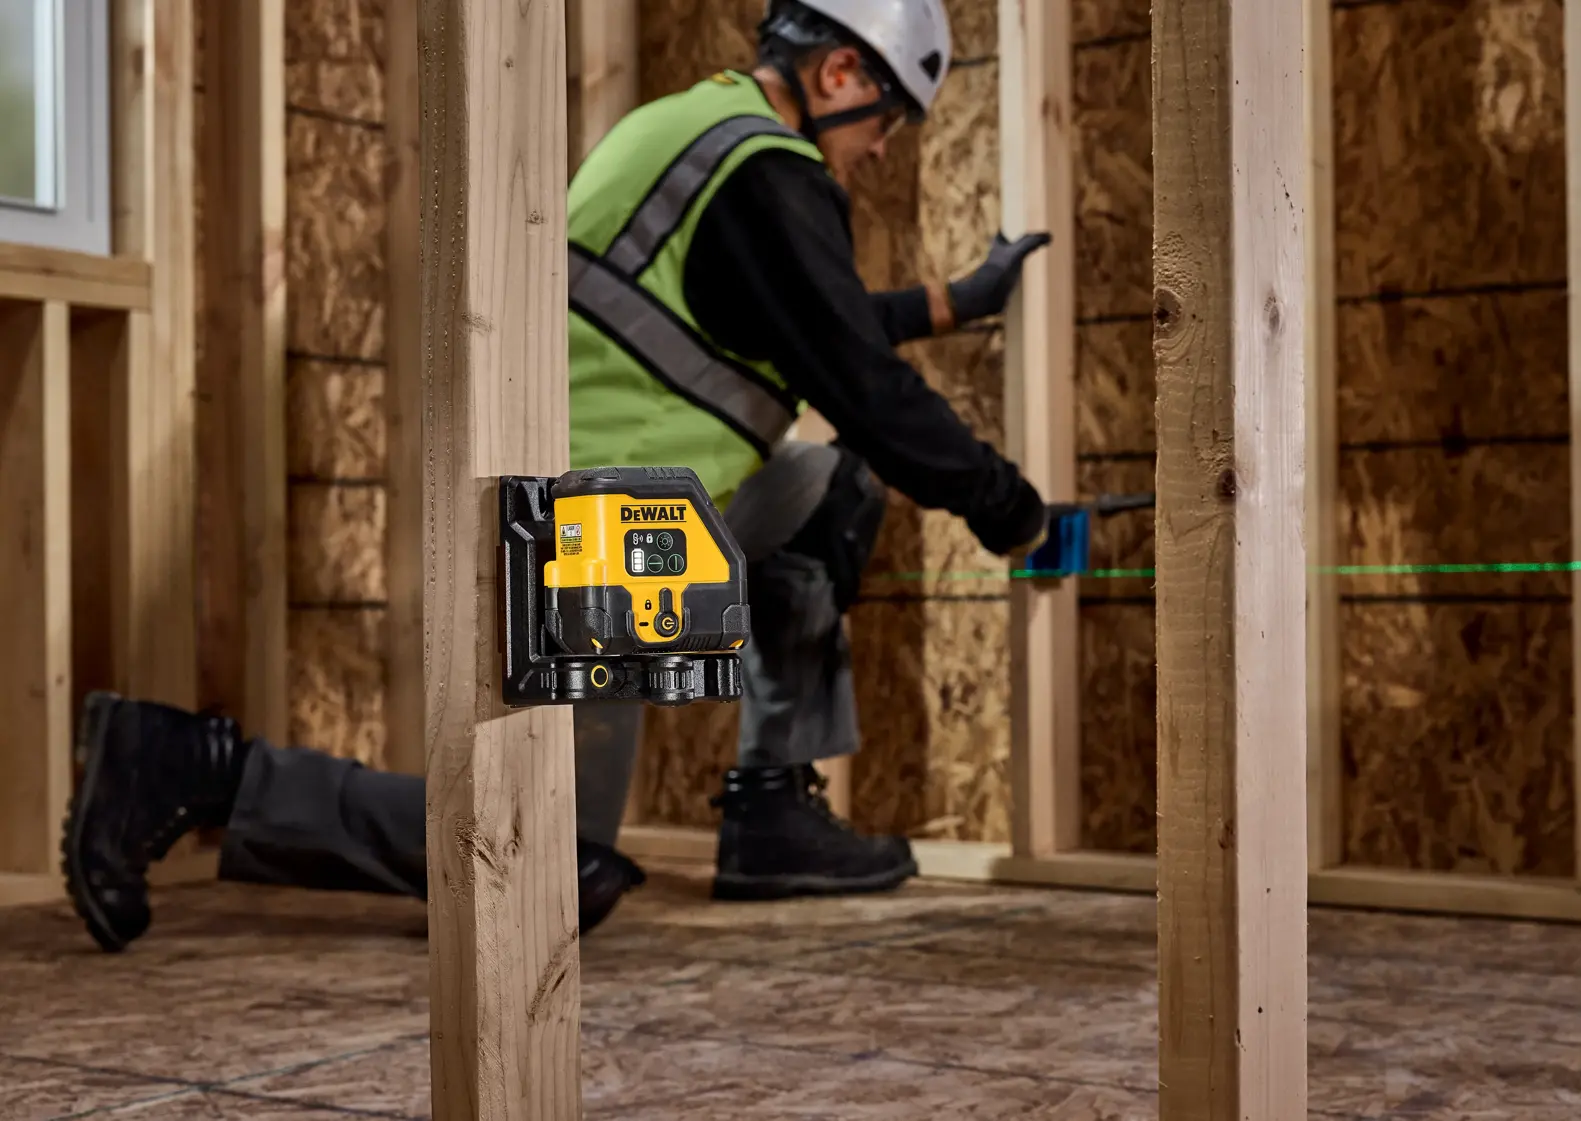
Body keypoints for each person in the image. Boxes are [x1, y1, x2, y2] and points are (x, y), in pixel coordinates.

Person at [59, 0, 1052, 954]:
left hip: (584, 506)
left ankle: (772, 811)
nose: (883, 148)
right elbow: (864, 385)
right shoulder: (773, 176)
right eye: (889, 118)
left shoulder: (697, 130)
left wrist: (953, 300)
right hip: (590, 527)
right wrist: (1014, 514)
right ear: (839, 73)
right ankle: (196, 769)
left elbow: (795, 318)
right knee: (551, 861)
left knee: (826, 487)